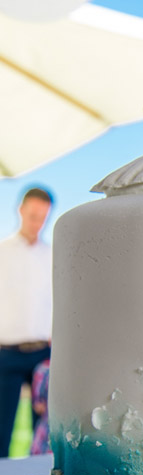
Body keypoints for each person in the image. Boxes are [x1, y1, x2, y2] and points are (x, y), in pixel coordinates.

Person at [0, 187, 53, 457]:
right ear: (21, 210)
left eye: (42, 217)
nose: (36, 223)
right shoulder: (3, 252)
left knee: (44, 431)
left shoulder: (52, 256)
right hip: (5, 353)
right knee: (1, 429)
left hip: (43, 355)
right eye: (32, 215)